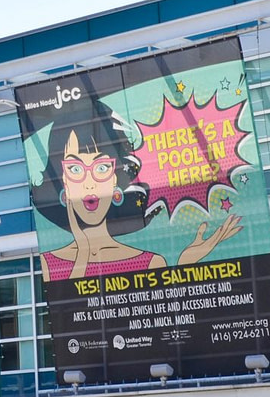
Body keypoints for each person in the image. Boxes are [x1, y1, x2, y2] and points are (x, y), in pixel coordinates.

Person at [31, 93, 243, 280]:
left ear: (116, 179)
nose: (89, 184)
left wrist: (185, 265)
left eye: (102, 167)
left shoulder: (149, 263)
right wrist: (83, 255)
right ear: (62, 180)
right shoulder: (50, 264)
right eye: (75, 169)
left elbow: (166, 314)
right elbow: (69, 318)